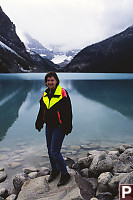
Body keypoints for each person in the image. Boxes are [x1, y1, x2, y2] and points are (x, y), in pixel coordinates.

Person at [35, 71, 73, 187]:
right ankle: (55, 170)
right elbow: (42, 110)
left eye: (52, 80)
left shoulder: (62, 93)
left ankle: (65, 174)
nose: (50, 82)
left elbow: (68, 111)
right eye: (48, 80)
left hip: (60, 126)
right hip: (49, 126)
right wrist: (39, 122)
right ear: (46, 83)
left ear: (56, 81)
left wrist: (68, 126)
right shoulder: (45, 94)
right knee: (49, 150)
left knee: (55, 151)